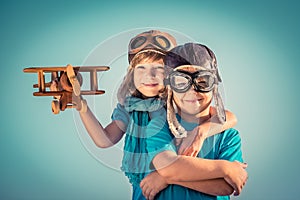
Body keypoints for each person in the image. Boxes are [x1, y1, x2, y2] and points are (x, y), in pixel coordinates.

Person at [59, 31, 239, 200]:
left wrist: (200, 132)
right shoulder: (131, 109)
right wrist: (81, 105)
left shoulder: (180, 103)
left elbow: (227, 117)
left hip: (186, 180)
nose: (149, 76)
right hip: (148, 186)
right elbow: (104, 140)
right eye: (141, 68)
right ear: (131, 74)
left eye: (158, 69)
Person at [140, 43, 248, 200]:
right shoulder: (159, 126)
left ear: (214, 85)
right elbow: (168, 165)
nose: (192, 90)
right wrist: (224, 168)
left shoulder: (228, 136)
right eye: (181, 82)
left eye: (203, 81)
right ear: (170, 87)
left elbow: (226, 186)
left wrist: (167, 178)